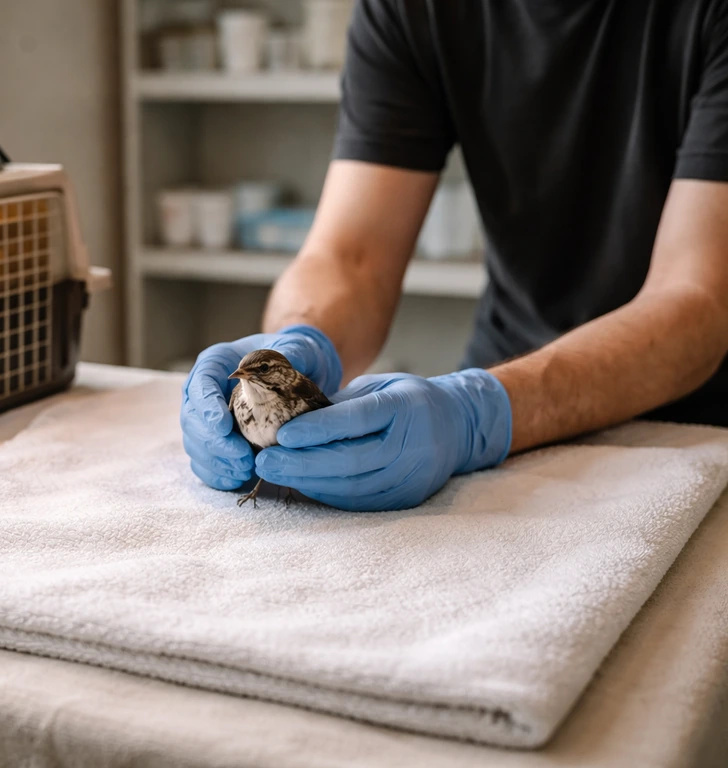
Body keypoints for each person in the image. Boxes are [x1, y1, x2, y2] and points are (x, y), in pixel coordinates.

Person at [181, 0, 728, 512]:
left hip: (694, 427)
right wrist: (297, 344)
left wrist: (475, 415)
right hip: (508, 395)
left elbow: (699, 299)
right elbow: (351, 257)